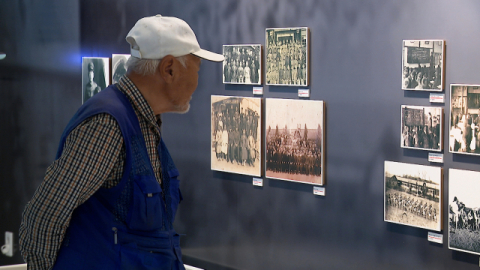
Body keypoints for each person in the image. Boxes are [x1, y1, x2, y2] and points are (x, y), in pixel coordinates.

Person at [19, 15, 224, 270]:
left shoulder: (142, 121)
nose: (197, 81)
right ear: (169, 69)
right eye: (197, 68)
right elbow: (45, 214)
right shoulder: (108, 124)